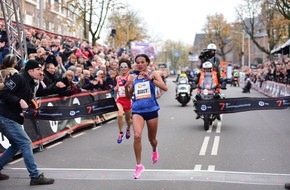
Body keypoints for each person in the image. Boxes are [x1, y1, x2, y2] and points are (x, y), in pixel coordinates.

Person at [0, 59, 54, 185]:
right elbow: (3, 93)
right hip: (5, 116)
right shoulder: (18, 78)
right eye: (38, 70)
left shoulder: (32, 82)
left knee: (16, 144)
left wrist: (44, 81)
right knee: (25, 143)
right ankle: (35, 176)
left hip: (12, 116)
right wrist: (18, 100)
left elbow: (40, 93)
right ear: (30, 70)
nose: (41, 72)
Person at [124, 54, 168, 179]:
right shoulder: (133, 76)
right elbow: (128, 96)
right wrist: (127, 86)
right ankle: (139, 165)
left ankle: (154, 149)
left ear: (147, 63)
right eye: (138, 62)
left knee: (152, 139)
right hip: (137, 110)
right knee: (137, 136)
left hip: (152, 110)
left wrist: (150, 79)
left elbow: (165, 87)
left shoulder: (153, 74)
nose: (140, 64)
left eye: (142, 62)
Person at [114, 58, 132, 144]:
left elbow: (132, 87)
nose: (123, 68)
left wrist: (128, 85)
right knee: (120, 115)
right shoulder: (118, 78)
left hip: (128, 100)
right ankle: (121, 133)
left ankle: (128, 129)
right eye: (121, 67)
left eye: (125, 67)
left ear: (128, 68)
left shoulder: (130, 77)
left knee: (128, 119)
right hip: (120, 100)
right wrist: (115, 88)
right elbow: (117, 87)